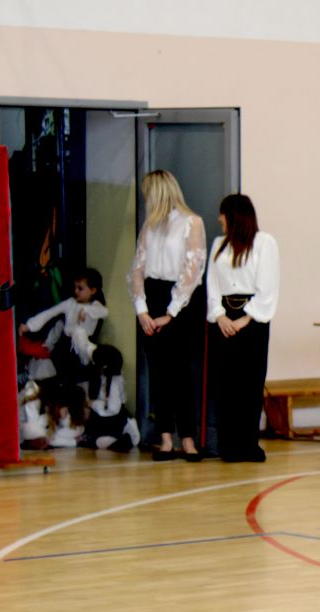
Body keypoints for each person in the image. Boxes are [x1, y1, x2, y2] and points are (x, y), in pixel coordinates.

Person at [127, 169, 206, 462]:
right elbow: (137, 268)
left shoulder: (191, 222)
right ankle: (165, 438)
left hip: (181, 302)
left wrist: (171, 313)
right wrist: (142, 310)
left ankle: (188, 439)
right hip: (153, 297)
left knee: (182, 372)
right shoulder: (149, 226)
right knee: (158, 372)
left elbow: (192, 270)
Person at [206, 194, 279, 464]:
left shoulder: (264, 243)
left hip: (252, 321)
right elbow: (212, 284)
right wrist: (219, 316)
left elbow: (267, 287)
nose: (219, 219)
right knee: (224, 383)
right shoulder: (219, 245)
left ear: (234, 216)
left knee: (250, 383)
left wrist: (245, 319)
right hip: (224, 319)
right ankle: (229, 445)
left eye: (223, 214)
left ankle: (248, 444)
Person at [19, 267, 109, 375]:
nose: (76, 291)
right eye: (75, 287)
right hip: (65, 345)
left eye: (80, 288)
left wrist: (85, 310)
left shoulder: (95, 306)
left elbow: (104, 312)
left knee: (79, 373)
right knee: (59, 368)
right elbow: (49, 313)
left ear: (93, 290)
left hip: (83, 347)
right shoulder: (70, 303)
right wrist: (29, 326)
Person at [79, 344, 139, 452]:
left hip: (112, 419)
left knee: (99, 441)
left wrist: (92, 403)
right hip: (101, 417)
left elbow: (113, 409)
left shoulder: (115, 381)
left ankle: (120, 439)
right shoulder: (98, 376)